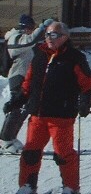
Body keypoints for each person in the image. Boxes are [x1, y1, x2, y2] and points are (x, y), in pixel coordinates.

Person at [6, 21, 91, 194]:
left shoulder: (74, 57)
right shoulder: (39, 55)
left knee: (63, 154)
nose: (49, 38)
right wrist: (18, 100)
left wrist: (85, 101)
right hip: (37, 115)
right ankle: (27, 186)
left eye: (53, 34)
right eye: (47, 34)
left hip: (61, 116)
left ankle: (70, 188)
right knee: (30, 152)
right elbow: (29, 82)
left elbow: (88, 84)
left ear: (65, 37)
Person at [0, 16, 51, 155]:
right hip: (18, 76)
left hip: (27, 77)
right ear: (23, 27)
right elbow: (29, 42)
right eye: (29, 28)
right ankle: (5, 139)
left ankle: (11, 137)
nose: (31, 30)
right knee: (17, 107)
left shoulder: (25, 38)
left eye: (32, 28)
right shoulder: (14, 37)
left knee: (25, 109)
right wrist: (42, 28)